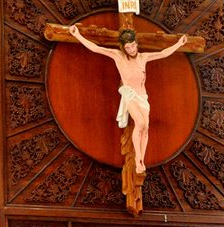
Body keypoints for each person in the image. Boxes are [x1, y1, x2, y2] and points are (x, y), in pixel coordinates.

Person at [68, 25, 187, 173]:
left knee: (146, 127)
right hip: (129, 93)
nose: (131, 50)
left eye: (132, 46)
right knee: (140, 123)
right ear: (123, 48)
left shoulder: (143, 57)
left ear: (136, 44)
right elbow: (95, 48)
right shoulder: (118, 56)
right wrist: (77, 35)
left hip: (142, 95)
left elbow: (163, 54)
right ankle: (138, 158)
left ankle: (142, 160)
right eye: (128, 47)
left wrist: (179, 44)